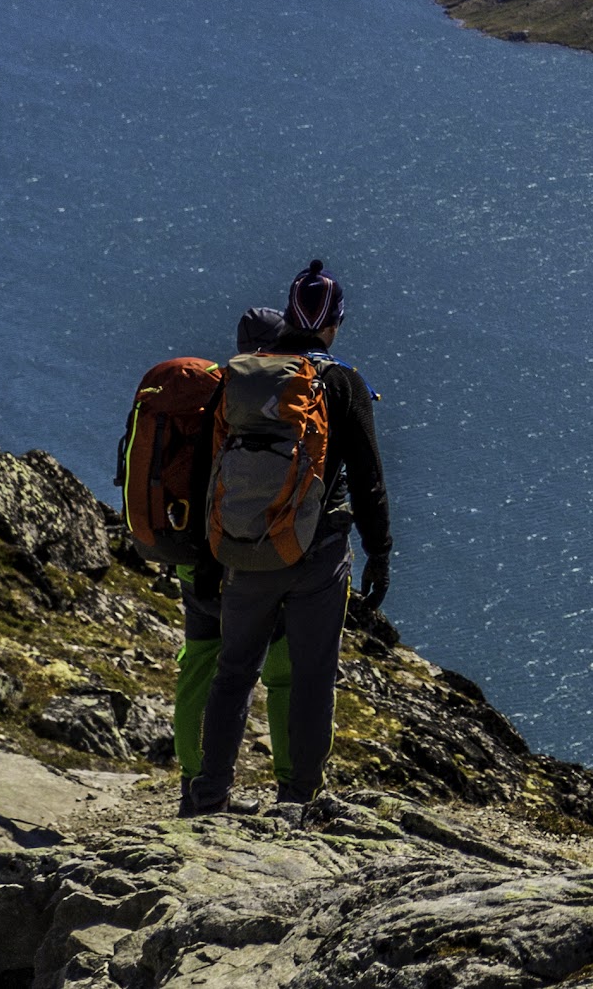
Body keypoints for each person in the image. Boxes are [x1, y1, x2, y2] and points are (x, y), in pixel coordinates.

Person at [182, 258, 393, 821]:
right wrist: (382, 554)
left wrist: (208, 558)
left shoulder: (244, 378)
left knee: (234, 672)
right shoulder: (340, 382)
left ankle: (208, 796)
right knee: (311, 677)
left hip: (244, 552)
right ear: (335, 322)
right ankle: (298, 798)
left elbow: (209, 472)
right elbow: (369, 478)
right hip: (318, 555)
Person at [171, 309, 293, 799]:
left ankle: (195, 783)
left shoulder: (208, 394)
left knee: (200, 664)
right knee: (284, 671)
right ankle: (292, 786)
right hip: (249, 558)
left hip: (194, 557)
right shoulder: (276, 402)